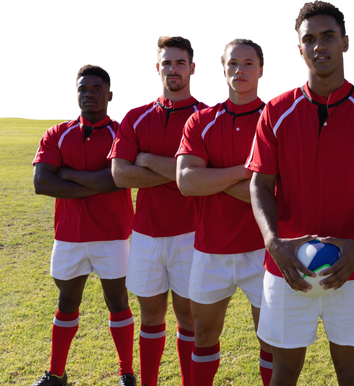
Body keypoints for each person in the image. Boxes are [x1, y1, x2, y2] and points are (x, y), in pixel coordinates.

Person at [245, 1, 354, 384]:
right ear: (298, 49)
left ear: (347, 43)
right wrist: (274, 242)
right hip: (289, 267)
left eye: (328, 36)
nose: (320, 46)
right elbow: (260, 183)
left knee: (351, 373)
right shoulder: (276, 109)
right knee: (284, 370)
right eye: (309, 39)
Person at [109, 33, 211, 386]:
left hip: (193, 234)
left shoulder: (208, 115)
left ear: (193, 68)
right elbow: (121, 174)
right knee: (150, 316)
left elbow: (202, 177)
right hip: (146, 234)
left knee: (189, 318)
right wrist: (182, 174)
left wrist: (149, 160)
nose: (173, 69)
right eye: (166, 63)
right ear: (156, 68)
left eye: (180, 62)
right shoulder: (134, 115)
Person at [175, 35, 273, 386]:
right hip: (210, 248)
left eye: (248, 63)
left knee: (272, 340)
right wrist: (249, 172)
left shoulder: (277, 119)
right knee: (204, 335)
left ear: (262, 71)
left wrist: (212, 178)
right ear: (221, 70)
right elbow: (187, 182)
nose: (239, 69)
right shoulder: (201, 120)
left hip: (265, 250)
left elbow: (281, 193)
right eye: (232, 63)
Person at [32, 62, 135, 386]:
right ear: (74, 94)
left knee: (118, 303)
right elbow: (42, 183)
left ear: (111, 96)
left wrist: (70, 173)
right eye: (83, 89)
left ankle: (126, 373)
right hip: (70, 236)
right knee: (66, 303)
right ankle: (57, 374)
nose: (90, 94)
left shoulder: (122, 131)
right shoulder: (56, 133)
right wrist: (99, 181)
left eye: (97, 89)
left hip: (113, 235)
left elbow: (118, 180)